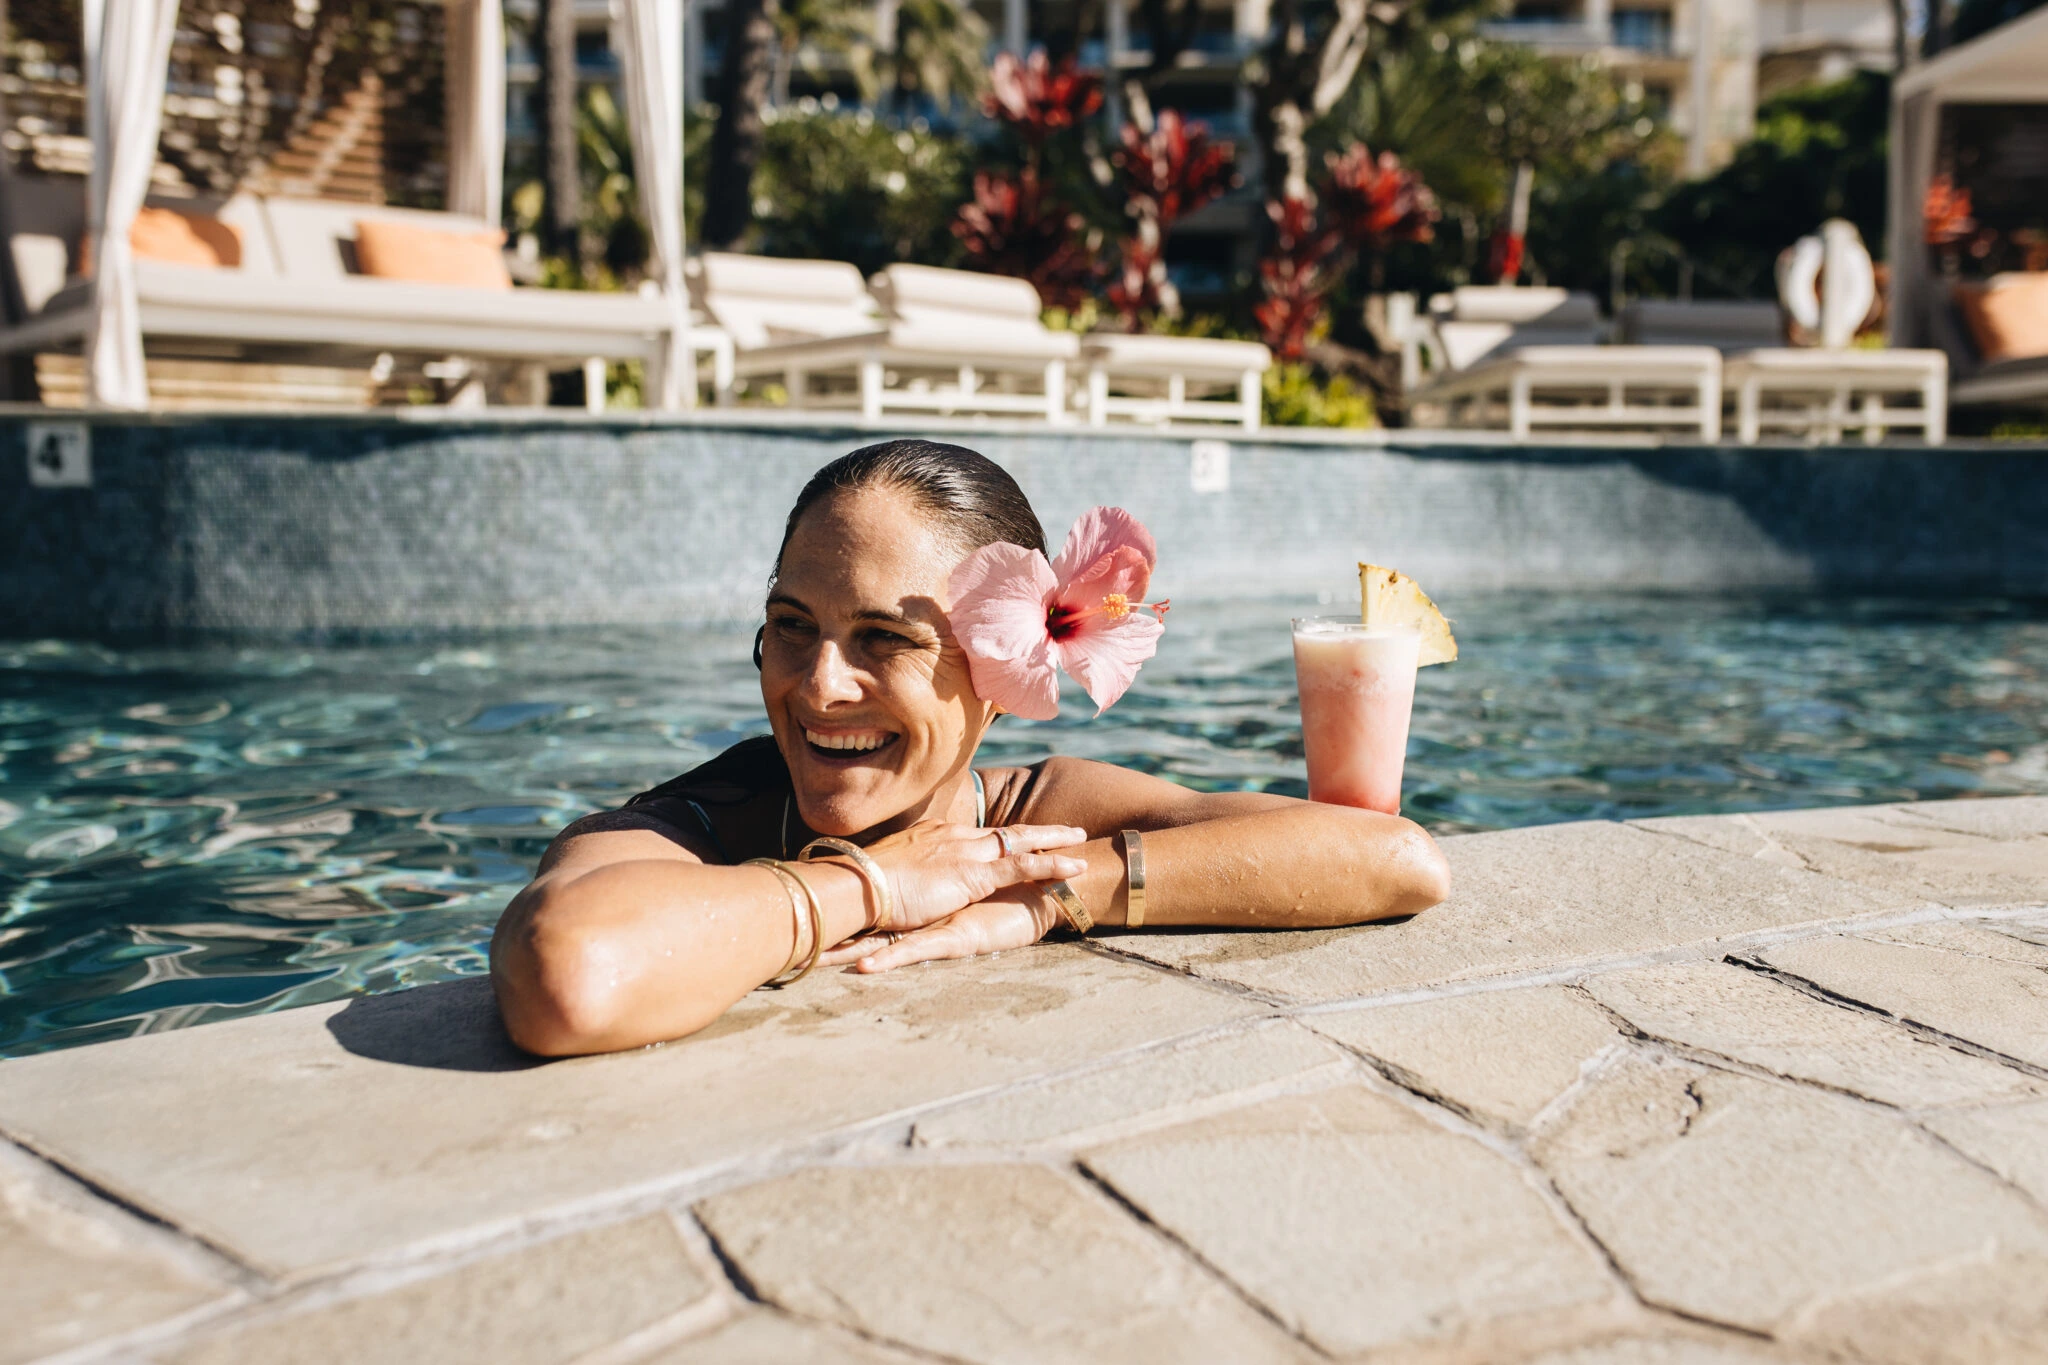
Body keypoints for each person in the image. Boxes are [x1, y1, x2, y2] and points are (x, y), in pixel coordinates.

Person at [491, 440, 1451, 1056]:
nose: (820, 684)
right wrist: (873, 887)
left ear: (998, 676)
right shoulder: (705, 822)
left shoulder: (1030, 815)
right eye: (792, 624)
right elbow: (569, 973)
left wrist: (1055, 894)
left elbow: (1396, 859)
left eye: (886, 638)